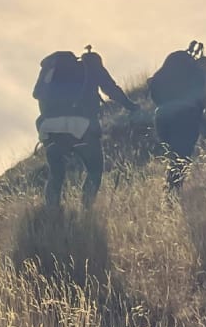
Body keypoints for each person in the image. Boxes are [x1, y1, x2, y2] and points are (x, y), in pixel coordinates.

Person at [33, 45, 137, 207]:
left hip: (50, 129)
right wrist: (131, 106)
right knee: (94, 170)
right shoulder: (88, 66)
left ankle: (51, 212)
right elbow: (110, 89)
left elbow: (36, 94)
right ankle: (86, 210)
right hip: (81, 127)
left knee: (56, 174)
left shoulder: (48, 73)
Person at [148, 41, 206, 189]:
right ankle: (172, 193)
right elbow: (205, 93)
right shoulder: (197, 73)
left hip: (161, 118)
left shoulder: (163, 75)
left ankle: (171, 190)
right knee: (182, 157)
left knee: (174, 156)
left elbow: (153, 92)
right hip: (185, 116)